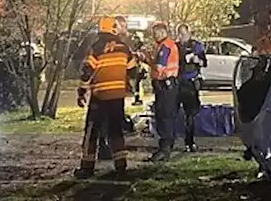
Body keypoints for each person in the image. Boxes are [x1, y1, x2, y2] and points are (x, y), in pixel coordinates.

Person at [76, 16, 139, 178]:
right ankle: (121, 168)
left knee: (92, 132)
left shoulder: (96, 47)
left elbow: (87, 71)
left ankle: (87, 168)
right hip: (117, 97)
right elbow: (133, 70)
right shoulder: (124, 48)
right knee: (116, 132)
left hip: (99, 97)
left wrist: (82, 92)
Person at [147, 22, 181, 162]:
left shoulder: (165, 46)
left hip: (165, 86)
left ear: (162, 32)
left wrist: (146, 60)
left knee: (164, 116)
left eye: (155, 34)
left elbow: (159, 67)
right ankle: (167, 146)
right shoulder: (165, 45)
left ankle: (164, 149)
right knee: (166, 115)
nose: (154, 37)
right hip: (168, 86)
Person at [175, 24, 207, 153]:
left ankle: (189, 142)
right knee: (172, 112)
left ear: (189, 33)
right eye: (179, 34)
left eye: (183, 34)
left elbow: (204, 62)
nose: (181, 37)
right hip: (177, 82)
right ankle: (170, 141)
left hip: (190, 82)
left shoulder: (196, 45)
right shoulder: (175, 46)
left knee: (190, 114)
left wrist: (196, 59)